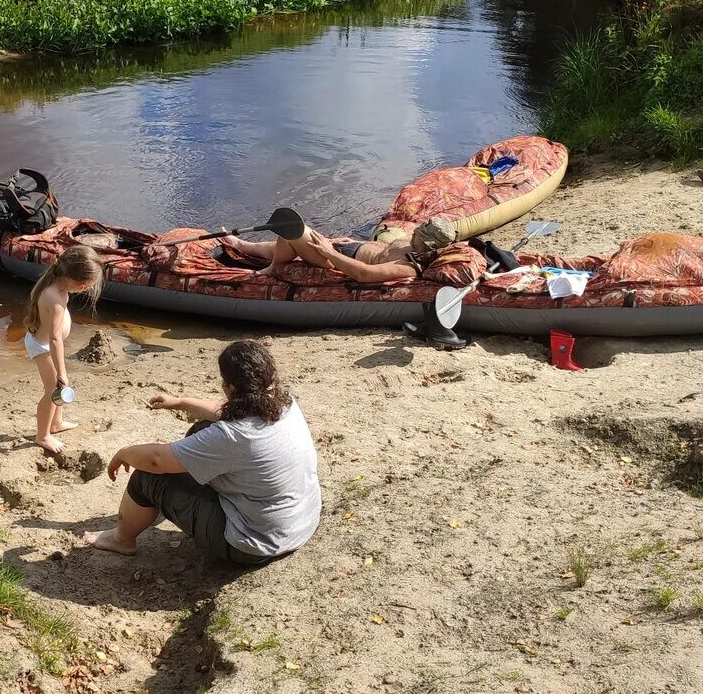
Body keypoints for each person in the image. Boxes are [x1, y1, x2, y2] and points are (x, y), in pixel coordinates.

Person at [83, 340, 320, 565]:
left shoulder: (233, 436)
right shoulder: (284, 402)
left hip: (254, 545)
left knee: (147, 476)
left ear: (230, 388)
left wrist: (123, 453)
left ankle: (121, 540)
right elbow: (227, 412)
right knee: (201, 429)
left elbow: (156, 461)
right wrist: (179, 402)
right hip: (301, 523)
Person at [23, 245, 104, 457]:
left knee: (57, 388)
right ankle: (42, 435)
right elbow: (55, 338)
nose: (87, 289)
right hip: (43, 347)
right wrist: (62, 372)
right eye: (86, 285)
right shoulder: (55, 298)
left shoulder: (58, 286)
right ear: (78, 282)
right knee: (52, 390)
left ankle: (56, 423)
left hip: (48, 344)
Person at [216, 215, 458, 284]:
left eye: (420, 235)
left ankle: (272, 268)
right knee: (288, 239)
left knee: (295, 230)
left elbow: (364, 273)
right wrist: (348, 239)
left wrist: (330, 253)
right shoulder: (409, 241)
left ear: (427, 246)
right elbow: (381, 247)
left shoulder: (408, 267)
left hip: (336, 262)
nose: (415, 232)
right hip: (347, 248)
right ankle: (243, 245)